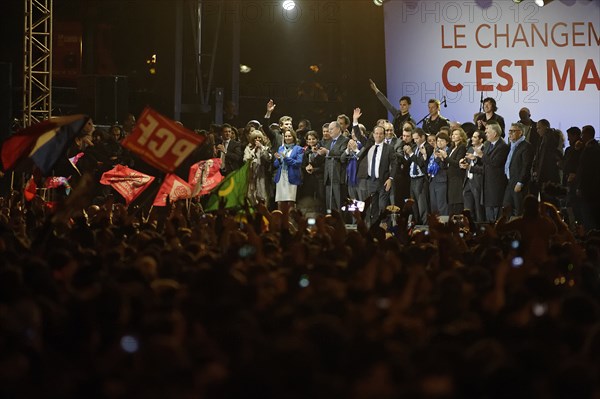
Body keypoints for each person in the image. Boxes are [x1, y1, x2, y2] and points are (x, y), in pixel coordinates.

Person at [358, 125, 397, 227]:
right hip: (371, 181)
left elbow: (394, 164)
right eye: (377, 133)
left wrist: (391, 178)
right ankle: (374, 229)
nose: (378, 135)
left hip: (384, 181)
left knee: (383, 206)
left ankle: (386, 228)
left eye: (381, 134)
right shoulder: (369, 146)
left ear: (384, 135)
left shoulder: (389, 148)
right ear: (373, 135)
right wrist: (355, 121)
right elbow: (358, 135)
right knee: (373, 207)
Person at [472, 123, 509, 222]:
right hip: (487, 186)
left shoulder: (503, 146)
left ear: (495, 133)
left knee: (496, 218)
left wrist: (481, 155)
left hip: (496, 186)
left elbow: (495, 163)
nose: (485, 133)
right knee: (489, 219)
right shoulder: (488, 144)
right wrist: (470, 167)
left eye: (488, 131)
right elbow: (486, 166)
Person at [317, 121, 350, 212]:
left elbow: (341, 155)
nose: (329, 131)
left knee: (339, 204)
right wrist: (319, 153)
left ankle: (341, 224)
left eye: (331, 129)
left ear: (338, 129)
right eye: (328, 129)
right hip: (328, 177)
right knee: (330, 205)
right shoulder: (329, 142)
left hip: (338, 176)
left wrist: (327, 152)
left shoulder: (345, 140)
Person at [502, 123, 533, 217]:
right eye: (509, 131)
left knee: (519, 209)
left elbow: (526, 166)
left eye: (513, 131)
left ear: (521, 132)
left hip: (518, 183)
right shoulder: (511, 145)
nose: (510, 134)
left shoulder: (526, 146)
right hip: (509, 181)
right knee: (506, 207)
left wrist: (520, 182)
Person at [404, 128, 433, 224]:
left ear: (423, 137)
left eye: (417, 138)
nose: (415, 140)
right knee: (414, 205)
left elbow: (420, 162)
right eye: (414, 139)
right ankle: (417, 224)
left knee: (422, 205)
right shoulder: (414, 147)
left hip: (421, 179)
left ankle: (425, 226)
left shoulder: (428, 147)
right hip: (412, 179)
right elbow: (410, 161)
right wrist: (407, 155)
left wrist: (411, 154)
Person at [576, 125, 600, 230]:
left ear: (586, 134)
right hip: (595, 188)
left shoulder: (588, 149)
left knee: (588, 215)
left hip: (587, 189)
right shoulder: (596, 147)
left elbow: (584, 171)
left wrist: (580, 187)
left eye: (582, 134)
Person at [273, 129, 304, 213]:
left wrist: (286, 159)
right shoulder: (281, 148)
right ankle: (280, 222)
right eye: (286, 136)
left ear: (293, 137)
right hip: (281, 178)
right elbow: (275, 164)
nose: (287, 138)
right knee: (280, 202)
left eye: (289, 136)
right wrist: (279, 159)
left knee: (290, 201)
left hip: (292, 177)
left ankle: (290, 222)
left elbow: (298, 163)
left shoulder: (298, 149)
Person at [531, 119, 562, 198]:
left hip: (549, 177)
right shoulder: (541, 140)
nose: (537, 131)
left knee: (550, 200)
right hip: (542, 176)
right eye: (537, 128)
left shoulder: (552, 138)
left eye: (539, 128)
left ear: (546, 127)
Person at [461, 130, 486, 223]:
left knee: (478, 209)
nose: (472, 138)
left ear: (481, 139)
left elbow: (484, 166)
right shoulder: (470, 149)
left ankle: (480, 230)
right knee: (467, 210)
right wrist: (462, 164)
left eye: (475, 137)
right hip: (468, 181)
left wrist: (475, 159)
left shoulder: (485, 149)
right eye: (472, 136)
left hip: (477, 182)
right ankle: (468, 229)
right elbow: (467, 162)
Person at [298, 131, 325, 216]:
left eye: (313, 139)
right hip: (308, 179)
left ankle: (321, 217)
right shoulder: (305, 151)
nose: (311, 141)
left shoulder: (321, 150)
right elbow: (302, 164)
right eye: (309, 139)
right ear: (306, 141)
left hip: (319, 178)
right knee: (308, 197)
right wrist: (306, 168)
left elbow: (324, 166)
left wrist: (314, 169)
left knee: (320, 198)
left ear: (317, 139)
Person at [244, 130, 272, 205]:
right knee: (251, 195)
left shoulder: (265, 148)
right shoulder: (248, 148)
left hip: (262, 175)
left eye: (259, 138)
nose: (257, 139)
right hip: (251, 175)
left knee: (263, 195)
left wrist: (261, 148)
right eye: (255, 138)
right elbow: (246, 159)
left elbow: (268, 158)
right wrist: (254, 150)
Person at [428, 132, 450, 216]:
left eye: (442, 141)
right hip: (433, 180)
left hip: (442, 180)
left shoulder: (448, 151)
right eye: (438, 141)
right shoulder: (435, 151)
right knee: (434, 206)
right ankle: (436, 226)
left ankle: (444, 226)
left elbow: (444, 166)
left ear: (447, 142)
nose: (439, 143)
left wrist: (438, 158)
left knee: (442, 205)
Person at [446, 127, 468, 216]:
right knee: (451, 202)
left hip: (457, 177)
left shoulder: (461, 147)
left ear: (461, 137)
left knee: (457, 201)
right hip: (450, 177)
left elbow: (457, 163)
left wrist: (445, 157)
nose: (453, 136)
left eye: (456, 134)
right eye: (453, 134)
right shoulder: (451, 147)